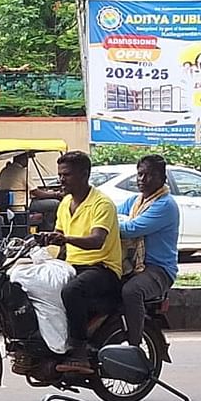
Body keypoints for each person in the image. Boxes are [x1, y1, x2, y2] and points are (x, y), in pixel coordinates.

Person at [43, 150, 123, 374]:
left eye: (66, 175)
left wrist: (66, 239)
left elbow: (97, 240)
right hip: (73, 265)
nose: (61, 179)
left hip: (102, 268)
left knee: (72, 291)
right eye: (60, 174)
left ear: (84, 175)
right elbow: (59, 235)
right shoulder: (65, 203)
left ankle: (79, 351)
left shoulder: (102, 204)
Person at [117, 155, 179, 348]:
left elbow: (130, 228)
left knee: (131, 291)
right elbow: (111, 213)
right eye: (140, 174)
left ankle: (134, 345)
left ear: (162, 178)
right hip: (133, 264)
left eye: (149, 175)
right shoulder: (136, 202)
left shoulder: (165, 205)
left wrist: (108, 224)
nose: (142, 180)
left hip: (157, 270)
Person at [0, 153, 62, 230]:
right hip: (21, 205)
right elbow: (37, 193)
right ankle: (48, 229)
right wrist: (55, 194)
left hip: (7, 204)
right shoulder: (22, 172)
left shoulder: (4, 170)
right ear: (24, 159)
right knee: (54, 204)